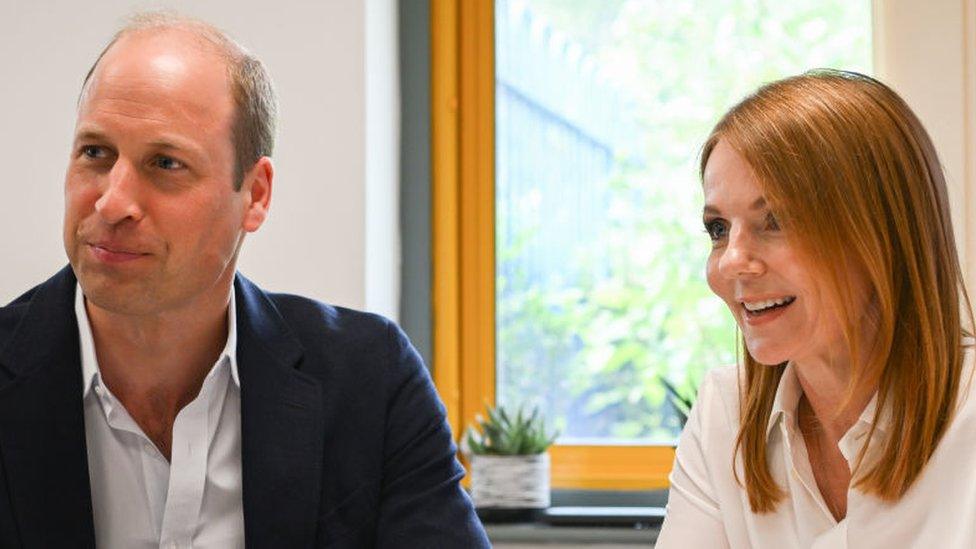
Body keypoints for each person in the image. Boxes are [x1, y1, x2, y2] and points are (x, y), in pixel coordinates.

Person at [0, 13, 489, 548]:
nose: (112, 202)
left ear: (255, 195)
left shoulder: (369, 382)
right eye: (96, 153)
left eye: (165, 163)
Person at [656, 69, 976, 548]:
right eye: (719, 228)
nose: (732, 262)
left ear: (882, 236)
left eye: (777, 220)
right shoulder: (726, 411)